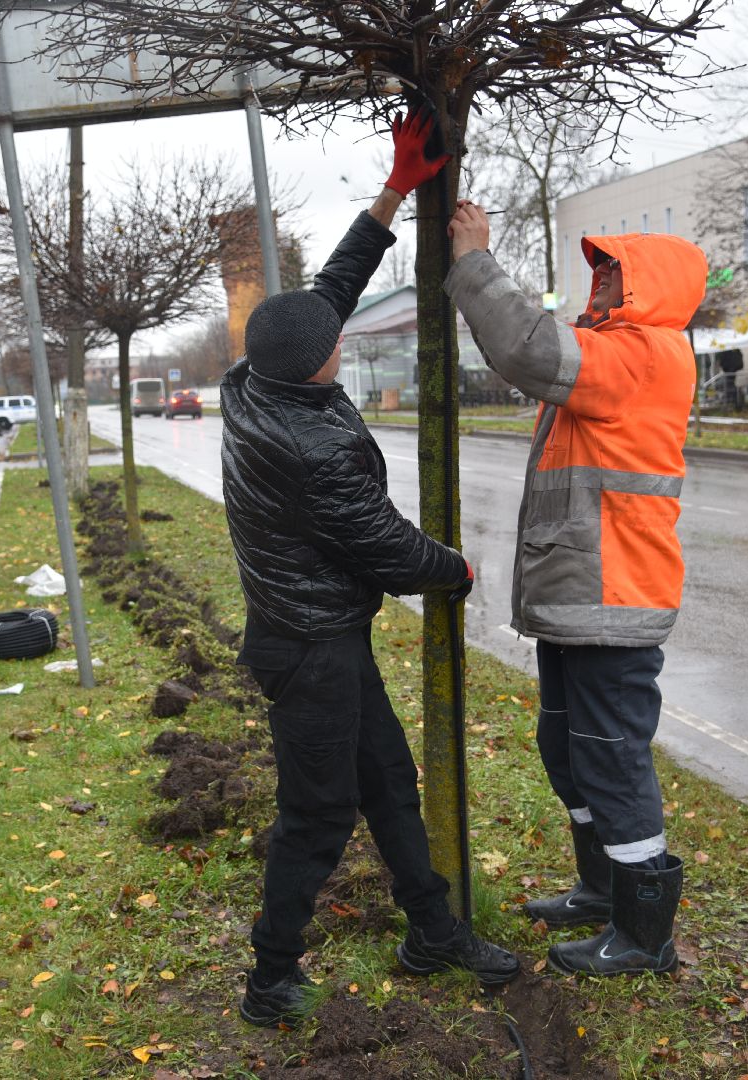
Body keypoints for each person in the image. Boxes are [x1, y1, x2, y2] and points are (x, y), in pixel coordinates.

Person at [220, 110, 519, 1029]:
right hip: (307, 648)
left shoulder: (256, 378)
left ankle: (431, 931)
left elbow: (330, 292)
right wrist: (455, 570)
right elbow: (384, 548)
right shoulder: (309, 445)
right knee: (318, 814)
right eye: (335, 340)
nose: (340, 335)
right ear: (319, 366)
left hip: (320, 635)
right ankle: (270, 979)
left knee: (388, 779)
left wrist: (395, 188)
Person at [444, 201, 707, 977]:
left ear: (647, 288)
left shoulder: (642, 355)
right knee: (567, 751)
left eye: (615, 275)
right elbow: (535, 350)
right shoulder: (614, 350)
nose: (601, 287)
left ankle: (644, 935)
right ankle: (602, 891)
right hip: (582, 596)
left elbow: (527, 348)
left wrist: (473, 262)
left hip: (613, 600)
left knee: (611, 761)